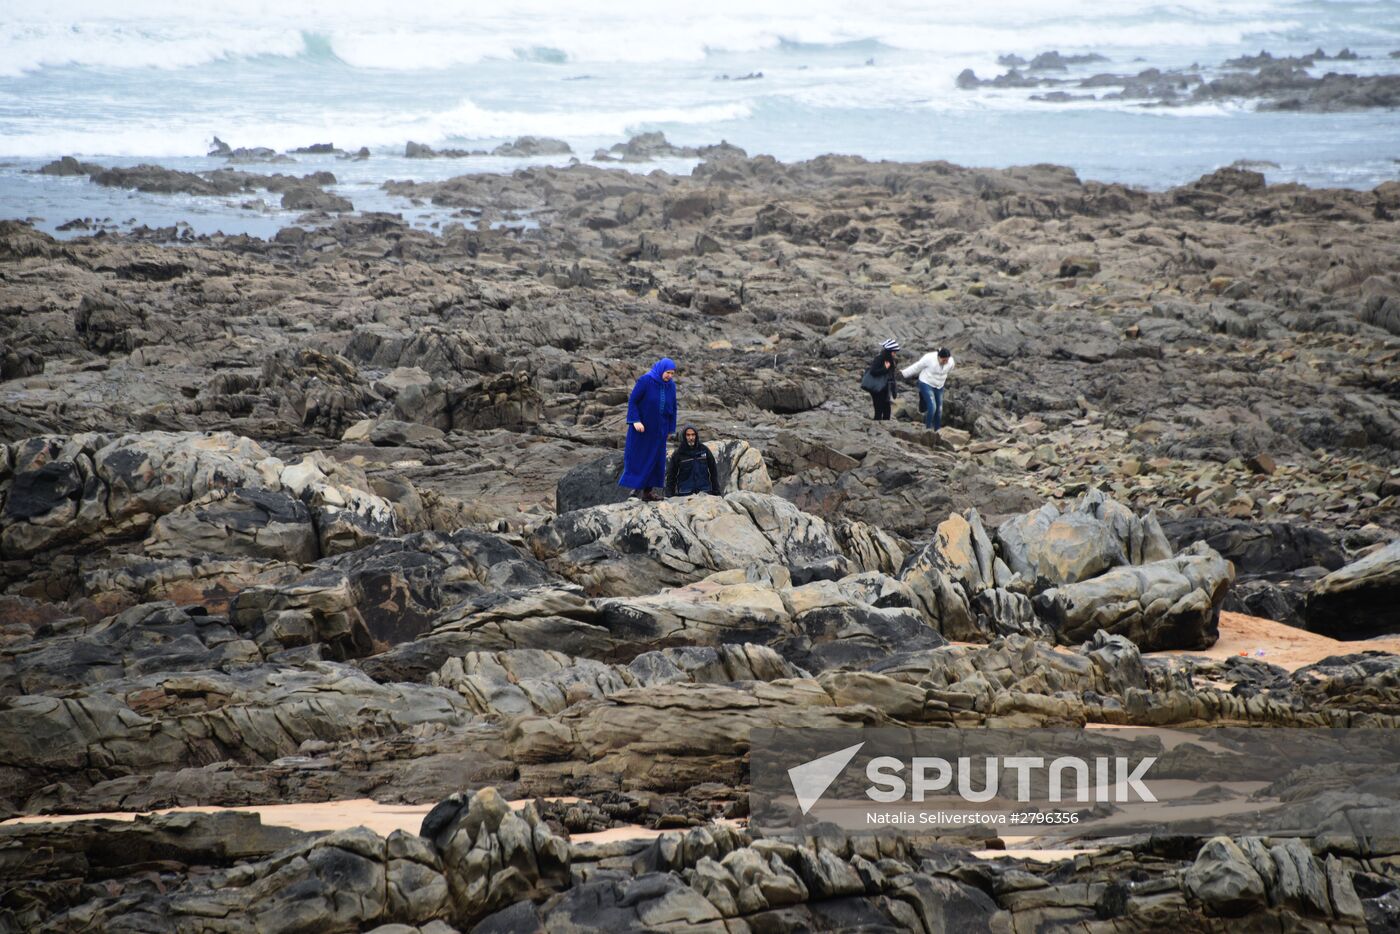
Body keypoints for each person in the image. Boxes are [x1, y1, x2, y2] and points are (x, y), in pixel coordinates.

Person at [618, 357, 678, 501]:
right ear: (661, 369)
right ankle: (636, 489)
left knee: (657, 460)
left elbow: (673, 407)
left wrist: (671, 428)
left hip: (660, 430)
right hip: (643, 429)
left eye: (672, 373)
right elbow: (633, 400)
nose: (669, 376)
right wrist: (635, 421)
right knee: (640, 457)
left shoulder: (671, 385)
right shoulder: (646, 380)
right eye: (667, 372)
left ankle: (648, 492)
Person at [901, 346, 955, 430]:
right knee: (932, 407)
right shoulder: (929, 358)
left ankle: (937, 431)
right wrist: (903, 374)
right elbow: (917, 366)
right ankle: (927, 429)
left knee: (939, 409)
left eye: (947, 360)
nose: (945, 362)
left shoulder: (950, 362)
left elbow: (950, 369)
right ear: (938, 357)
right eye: (943, 360)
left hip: (939, 386)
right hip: (926, 382)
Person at [665, 425, 719, 497]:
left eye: (693, 435)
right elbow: (671, 476)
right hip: (685, 493)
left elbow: (713, 471)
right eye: (688, 435)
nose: (691, 438)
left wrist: (716, 491)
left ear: (696, 435)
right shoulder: (678, 453)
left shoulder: (704, 450)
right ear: (684, 436)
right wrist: (669, 495)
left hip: (705, 493)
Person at [862, 339, 900, 420]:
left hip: (885, 389)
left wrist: (894, 391)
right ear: (889, 351)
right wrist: (885, 368)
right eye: (894, 352)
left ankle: (885, 429)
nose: (895, 354)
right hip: (877, 389)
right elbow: (873, 371)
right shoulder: (879, 358)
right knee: (878, 410)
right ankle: (877, 429)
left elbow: (892, 376)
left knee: (887, 410)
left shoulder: (891, 360)